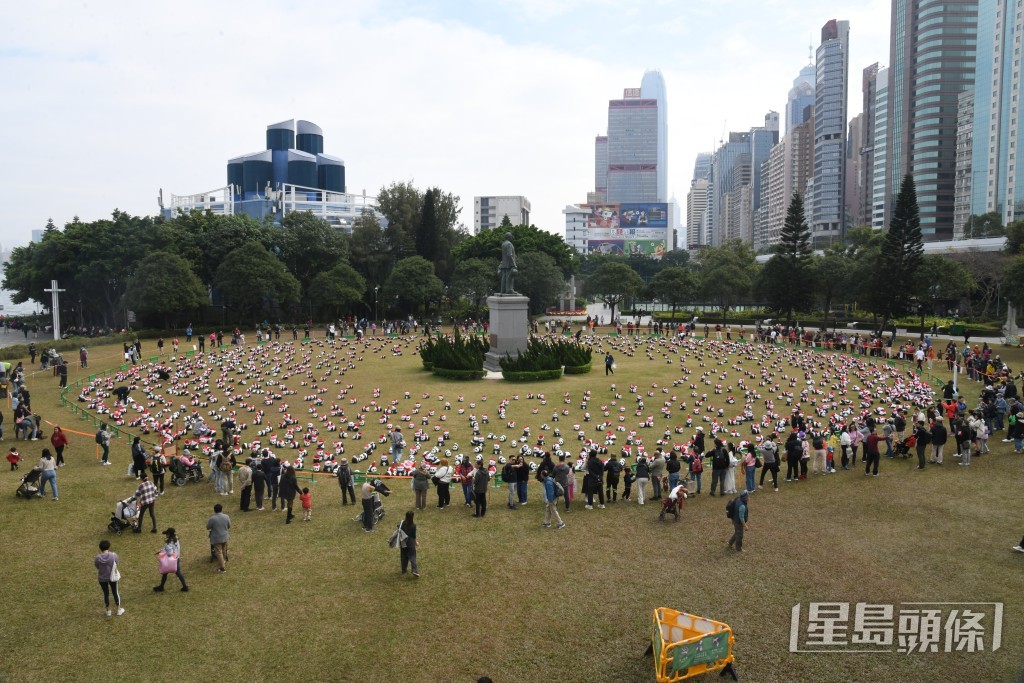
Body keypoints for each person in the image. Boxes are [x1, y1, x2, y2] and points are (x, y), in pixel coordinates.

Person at [153, 528, 189, 593]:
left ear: (169, 534)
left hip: (170, 561)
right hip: (176, 559)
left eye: (166, 534)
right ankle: (185, 586)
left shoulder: (167, 543)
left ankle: (161, 587)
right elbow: (171, 548)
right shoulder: (176, 539)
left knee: (165, 573)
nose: (166, 535)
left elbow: (169, 553)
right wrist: (161, 550)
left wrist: (162, 552)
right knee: (178, 573)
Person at [95, 540, 124, 617]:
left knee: (106, 594)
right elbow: (117, 563)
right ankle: (118, 609)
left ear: (100, 548)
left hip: (102, 578)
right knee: (115, 592)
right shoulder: (113, 555)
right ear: (108, 546)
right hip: (112, 577)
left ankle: (108, 611)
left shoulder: (98, 558)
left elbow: (97, 566)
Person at [206, 503, 231, 572]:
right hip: (225, 536)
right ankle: (224, 560)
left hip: (216, 538)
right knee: (224, 548)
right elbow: (229, 526)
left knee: (219, 552)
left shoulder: (212, 518)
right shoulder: (226, 516)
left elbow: (208, 527)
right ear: (221, 509)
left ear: (214, 510)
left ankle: (222, 568)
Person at [399, 510, 420, 577]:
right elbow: (413, 536)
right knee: (412, 557)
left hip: (403, 542)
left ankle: (404, 570)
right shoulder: (413, 526)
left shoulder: (402, 523)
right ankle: (414, 570)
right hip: (410, 544)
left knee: (403, 556)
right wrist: (416, 543)